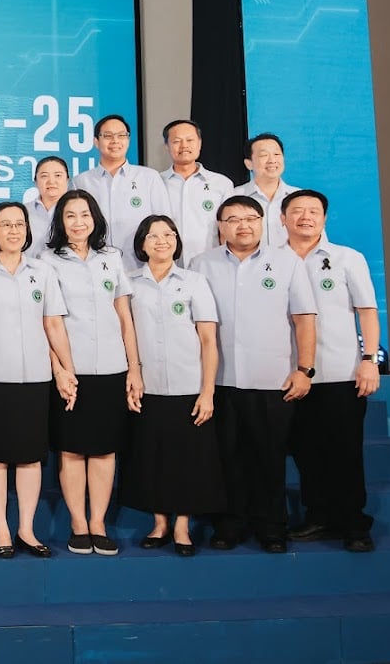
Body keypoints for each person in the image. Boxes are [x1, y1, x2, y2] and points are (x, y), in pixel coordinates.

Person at [193, 195, 318, 553]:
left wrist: (304, 369)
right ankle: (228, 525)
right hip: (220, 381)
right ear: (221, 226)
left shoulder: (287, 262)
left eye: (250, 218)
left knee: (269, 457)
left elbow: (304, 319)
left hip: (272, 380)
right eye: (233, 219)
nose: (243, 225)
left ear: (262, 222)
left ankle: (272, 527)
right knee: (226, 458)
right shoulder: (202, 264)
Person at [0, 202, 76, 559]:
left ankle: (26, 529)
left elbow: (53, 324)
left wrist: (65, 369)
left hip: (36, 379)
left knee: (31, 457)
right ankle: (1, 527)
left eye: (19, 224)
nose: (13, 231)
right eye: (5, 225)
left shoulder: (42, 271)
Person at [118, 215, 225, 557]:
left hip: (188, 386)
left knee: (188, 459)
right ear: (142, 244)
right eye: (153, 236)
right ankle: (160, 523)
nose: (161, 241)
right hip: (146, 386)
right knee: (152, 457)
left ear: (177, 241)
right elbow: (125, 333)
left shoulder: (194, 281)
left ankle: (182, 526)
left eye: (168, 234)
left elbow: (208, 340)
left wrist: (208, 391)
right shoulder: (129, 282)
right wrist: (133, 373)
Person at [281, 189, 380, 553]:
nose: (305, 217)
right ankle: (319, 516)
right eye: (297, 211)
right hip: (289, 374)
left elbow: (367, 311)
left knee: (345, 451)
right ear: (283, 219)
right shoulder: (273, 260)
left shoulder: (346, 258)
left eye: (313, 211)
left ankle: (354, 523)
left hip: (340, 372)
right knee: (306, 452)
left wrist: (369, 360)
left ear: (324, 218)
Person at [45, 189, 143, 556]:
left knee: (104, 451)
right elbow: (46, 322)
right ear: (60, 222)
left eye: (84, 214)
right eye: (70, 215)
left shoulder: (111, 258)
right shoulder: (47, 261)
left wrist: (134, 368)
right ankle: (78, 523)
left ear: (95, 219)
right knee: (72, 451)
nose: (78, 222)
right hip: (72, 371)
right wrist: (60, 369)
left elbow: (124, 317)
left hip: (112, 368)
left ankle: (98, 522)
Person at [74, 114, 169, 268]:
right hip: (95, 267)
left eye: (121, 135)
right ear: (96, 141)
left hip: (141, 267)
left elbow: (164, 225)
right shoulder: (81, 181)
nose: (115, 141)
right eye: (108, 136)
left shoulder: (149, 177)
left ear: (128, 140)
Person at [159, 120, 234, 264]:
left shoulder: (221, 183)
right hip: (167, 264)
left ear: (199, 143)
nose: (184, 146)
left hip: (210, 263)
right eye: (177, 141)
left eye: (190, 140)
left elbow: (228, 228)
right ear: (166, 146)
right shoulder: (156, 182)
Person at [229, 133, 297, 247]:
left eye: (276, 154)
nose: (272, 160)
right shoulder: (233, 197)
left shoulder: (299, 198)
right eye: (263, 155)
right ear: (249, 164)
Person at [26, 156, 70, 259]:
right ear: (35, 181)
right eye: (44, 176)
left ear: (67, 180)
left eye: (58, 175)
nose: (51, 181)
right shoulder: (23, 212)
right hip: (31, 267)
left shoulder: (79, 212)